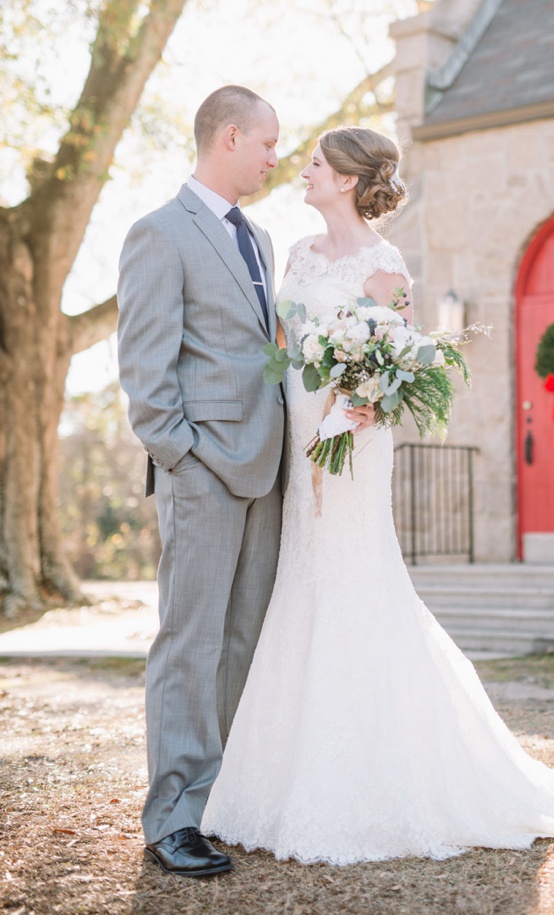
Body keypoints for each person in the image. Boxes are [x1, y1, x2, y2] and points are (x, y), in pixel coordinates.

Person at [201, 126, 554, 865]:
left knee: (354, 583)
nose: (301, 171)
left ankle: (371, 777)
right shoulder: (299, 256)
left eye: (313, 163)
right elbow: (282, 341)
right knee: (301, 585)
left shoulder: (384, 263)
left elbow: (397, 359)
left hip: (354, 445)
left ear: (345, 178)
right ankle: (282, 776)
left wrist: (367, 397)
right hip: (297, 437)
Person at [117, 85, 290, 877]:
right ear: (229, 136)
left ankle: (218, 802)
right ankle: (173, 816)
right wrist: (183, 457)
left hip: (268, 472)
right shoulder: (159, 233)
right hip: (203, 473)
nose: (274, 157)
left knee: (243, 639)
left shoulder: (259, 237)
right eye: (266, 143)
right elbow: (147, 375)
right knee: (189, 643)